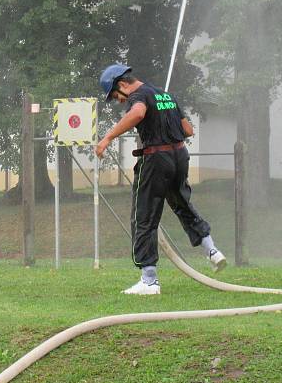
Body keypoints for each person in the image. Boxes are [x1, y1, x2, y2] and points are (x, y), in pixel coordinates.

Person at [95, 64, 226, 295]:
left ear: (122, 84)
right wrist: (163, 121)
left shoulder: (139, 96)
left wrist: (107, 138)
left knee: (143, 216)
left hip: (156, 159)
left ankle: (149, 280)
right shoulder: (167, 96)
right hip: (179, 156)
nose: (120, 101)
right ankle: (212, 251)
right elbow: (187, 129)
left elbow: (137, 114)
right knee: (183, 205)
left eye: (116, 95)